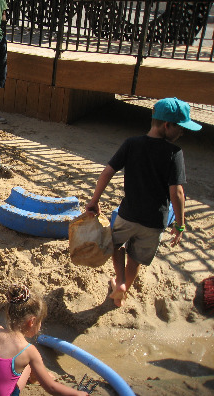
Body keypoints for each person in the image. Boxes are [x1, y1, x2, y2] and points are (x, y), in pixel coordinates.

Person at [85, 97, 202, 307]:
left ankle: (118, 281)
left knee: (117, 244)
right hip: (155, 222)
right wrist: (180, 224)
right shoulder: (175, 153)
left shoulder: (131, 144)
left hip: (128, 214)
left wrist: (95, 200)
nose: (182, 132)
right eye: (181, 128)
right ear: (167, 125)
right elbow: (177, 193)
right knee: (136, 259)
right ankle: (124, 289)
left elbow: (107, 173)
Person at [0, 284, 88, 396]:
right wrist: (78, 394)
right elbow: (51, 387)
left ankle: (35, 374)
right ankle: (34, 375)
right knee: (28, 365)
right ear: (32, 321)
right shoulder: (29, 351)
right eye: (40, 321)